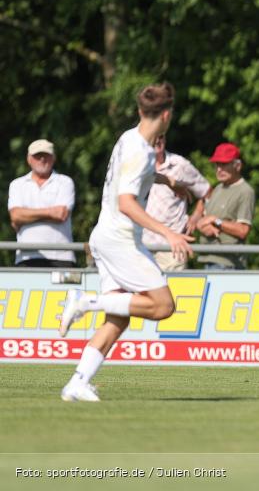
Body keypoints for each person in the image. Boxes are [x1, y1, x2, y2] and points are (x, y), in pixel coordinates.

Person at [58, 83, 194, 402]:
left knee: (118, 319)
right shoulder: (142, 151)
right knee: (163, 306)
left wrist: (167, 180)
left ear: (138, 112)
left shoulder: (128, 138)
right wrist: (169, 232)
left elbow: (132, 176)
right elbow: (127, 202)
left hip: (103, 235)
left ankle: (77, 382)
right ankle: (85, 302)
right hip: (120, 240)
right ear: (167, 115)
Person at [143, 135, 211, 271]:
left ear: (165, 140)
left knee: (173, 291)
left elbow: (207, 191)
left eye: (161, 137)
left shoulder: (179, 164)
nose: (158, 140)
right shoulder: (139, 165)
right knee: (143, 292)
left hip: (173, 247)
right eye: (154, 136)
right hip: (142, 245)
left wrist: (196, 216)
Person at [8, 139, 77, 267]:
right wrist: (50, 212)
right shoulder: (17, 185)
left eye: (46, 155)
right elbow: (15, 216)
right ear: (29, 159)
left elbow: (61, 214)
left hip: (61, 257)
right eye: (37, 156)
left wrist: (25, 216)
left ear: (53, 157)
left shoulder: (65, 182)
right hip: (26, 257)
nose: (42, 159)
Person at [194, 142, 255, 270]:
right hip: (208, 260)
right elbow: (205, 219)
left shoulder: (245, 191)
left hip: (228, 264)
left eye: (224, 164)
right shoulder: (217, 188)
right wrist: (202, 225)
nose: (219, 169)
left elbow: (243, 230)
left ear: (237, 166)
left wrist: (215, 221)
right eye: (217, 164)